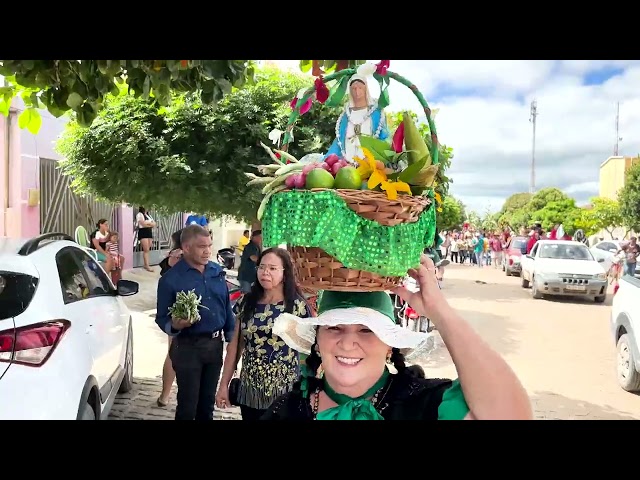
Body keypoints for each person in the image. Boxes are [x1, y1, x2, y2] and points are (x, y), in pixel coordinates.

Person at [263, 255, 532, 420]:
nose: (347, 343)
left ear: (390, 346)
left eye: (367, 330)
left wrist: (440, 313)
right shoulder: (286, 411)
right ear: (317, 342)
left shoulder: (425, 403)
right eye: (334, 328)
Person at [215, 247, 311, 420]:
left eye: (273, 268)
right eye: (262, 267)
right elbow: (234, 348)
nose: (265, 272)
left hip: (285, 392)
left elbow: (311, 347)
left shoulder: (297, 306)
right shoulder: (247, 301)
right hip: (250, 390)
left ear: (285, 273)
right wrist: (223, 385)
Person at [155, 225, 236, 420]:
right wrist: (175, 325)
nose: (207, 251)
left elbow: (225, 305)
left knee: (206, 406)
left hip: (214, 347)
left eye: (209, 245)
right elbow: (162, 318)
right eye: (201, 246)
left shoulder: (217, 272)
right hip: (187, 347)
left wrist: (231, 338)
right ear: (186, 247)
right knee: (187, 406)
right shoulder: (170, 280)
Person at [324, 74, 389, 165]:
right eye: (354, 88)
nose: (357, 92)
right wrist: (327, 160)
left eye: (360, 88)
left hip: (371, 165)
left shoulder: (377, 113)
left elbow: (384, 138)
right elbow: (339, 141)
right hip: (346, 167)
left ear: (366, 89)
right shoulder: (345, 116)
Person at [156, 228, 184, 407]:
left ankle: (165, 396)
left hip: (177, 305)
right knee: (174, 352)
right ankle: (166, 394)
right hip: (178, 306)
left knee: (173, 352)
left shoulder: (174, 254)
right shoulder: (179, 255)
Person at [136, 206, 155, 272]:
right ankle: (147, 265)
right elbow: (142, 224)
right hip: (143, 231)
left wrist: (149, 224)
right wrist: (150, 224)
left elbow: (154, 224)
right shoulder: (139, 214)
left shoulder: (148, 215)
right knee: (146, 249)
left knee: (148, 249)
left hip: (149, 231)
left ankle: (146, 264)